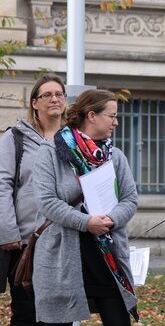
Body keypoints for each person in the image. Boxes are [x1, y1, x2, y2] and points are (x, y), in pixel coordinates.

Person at [30, 89, 139, 325]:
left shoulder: (115, 156)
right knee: (56, 321)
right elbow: (47, 201)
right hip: (63, 256)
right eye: (111, 115)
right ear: (92, 116)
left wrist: (111, 219)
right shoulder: (50, 152)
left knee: (118, 317)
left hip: (107, 256)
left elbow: (130, 199)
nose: (116, 122)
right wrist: (86, 223)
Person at [0, 74, 67, 325]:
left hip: (65, 243)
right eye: (46, 95)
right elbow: (2, 185)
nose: (54, 99)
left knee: (62, 316)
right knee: (28, 314)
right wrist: (8, 233)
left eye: (59, 94)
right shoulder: (15, 138)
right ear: (34, 103)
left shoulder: (74, 140)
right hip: (27, 243)